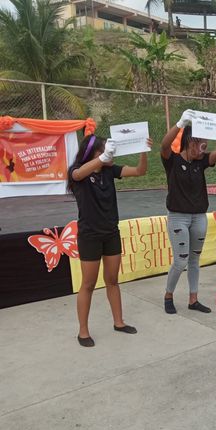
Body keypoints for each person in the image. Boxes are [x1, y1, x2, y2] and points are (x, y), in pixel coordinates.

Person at [68, 134, 149, 347]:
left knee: (112, 280)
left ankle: (119, 322)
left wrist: (143, 149)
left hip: (111, 232)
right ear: (94, 152)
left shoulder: (109, 171)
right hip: (90, 235)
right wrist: (103, 157)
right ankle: (83, 331)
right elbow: (77, 174)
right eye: (105, 150)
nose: (111, 154)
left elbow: (140, 171)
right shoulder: (78, 171)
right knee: (88, 284)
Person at [161, 109, 216, 314]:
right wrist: (180, 123)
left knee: (194, 259)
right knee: (180, 260)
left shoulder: (200, 162)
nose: (201, 148)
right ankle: (168, 295)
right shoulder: (173, 161)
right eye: (198, 142)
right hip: (178, 217)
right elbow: (164, 146)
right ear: (188, 141)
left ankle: (193, 299)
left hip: (199, 216)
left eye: (204, 143)